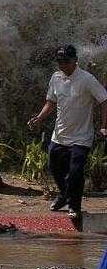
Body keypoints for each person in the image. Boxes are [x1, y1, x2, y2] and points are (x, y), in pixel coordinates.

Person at [28, 44, 107, 220]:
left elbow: (104, 100)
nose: (62, 65)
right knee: (53, 166)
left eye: (66, 61)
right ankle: (64, 195)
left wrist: (104, 125)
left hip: (81, 136)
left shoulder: (87, 79)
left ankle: (75, 206)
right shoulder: (56, 78)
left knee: (75, 171)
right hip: (60, 134)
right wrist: (39, 118)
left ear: (75, 60)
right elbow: (51, 101)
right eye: (59, 61)